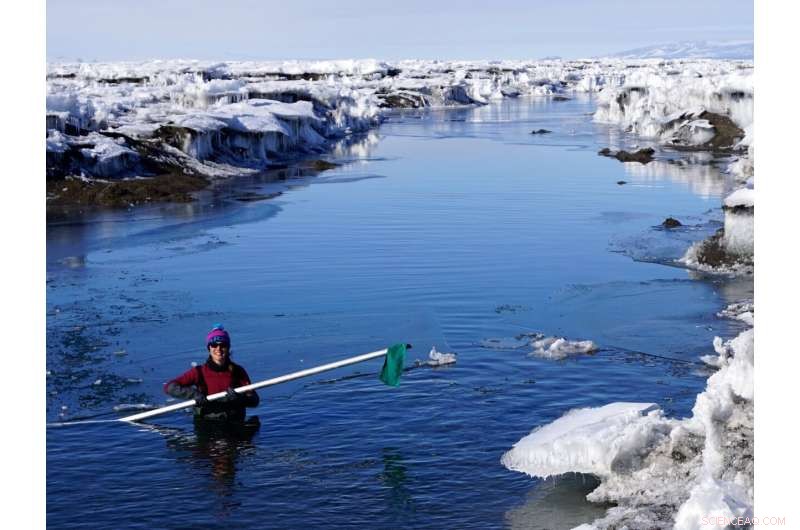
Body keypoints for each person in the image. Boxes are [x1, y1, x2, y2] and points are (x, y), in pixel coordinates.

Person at [164, 325, 260, 423]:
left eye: (223, 345)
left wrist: (239, 398)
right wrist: (194, 394)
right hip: (207, 423)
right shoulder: (199, 372)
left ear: (228, 348)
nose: (218, 349)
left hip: (234, 423)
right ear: (209, 348)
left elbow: (254, 401)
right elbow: (169, 387)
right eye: (214, 345)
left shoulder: (238, 371)